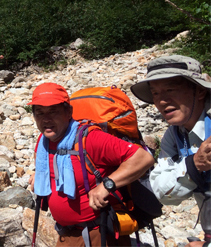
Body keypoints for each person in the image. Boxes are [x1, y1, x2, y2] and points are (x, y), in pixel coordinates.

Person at [29, 83, 154, 246]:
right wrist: (39, 176)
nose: (46, 119)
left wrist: (106, 186)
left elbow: (143, 158)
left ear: (68, 112)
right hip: (65, 234)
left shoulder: (89, 139)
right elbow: (54, 172)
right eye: (39, 113)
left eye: (53, 111)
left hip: (99, 233)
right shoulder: (43, 142)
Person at [131, 55, 211, 247]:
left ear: (199, 91)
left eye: (170, 89)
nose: (162, 101)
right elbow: (161, 191)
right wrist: (193, 165)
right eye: (156, 93)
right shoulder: (174, 136)